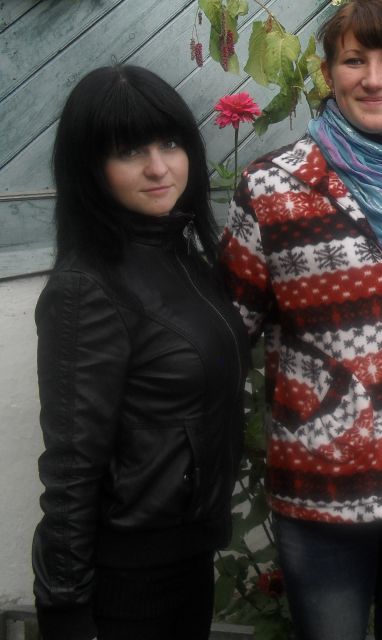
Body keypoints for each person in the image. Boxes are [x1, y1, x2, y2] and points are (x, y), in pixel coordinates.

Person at [219, 0, 382, 640]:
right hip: (322, 489)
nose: (374, 79)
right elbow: (226, 331)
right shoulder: (273, 189)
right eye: (355, 61)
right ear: (329, 73)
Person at [31, 65, 249, 640]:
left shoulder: (183, 257)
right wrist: (65, 605)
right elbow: (71, 465)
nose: (158, 167)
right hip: (126, 579)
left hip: (187, 557)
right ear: (90, 168)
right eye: (130, 152)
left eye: (170, 144)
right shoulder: (86, 288)